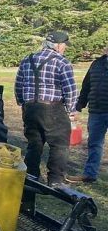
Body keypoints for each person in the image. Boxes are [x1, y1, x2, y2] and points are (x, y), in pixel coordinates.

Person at [14, 30, 78, 186]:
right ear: (57, 45)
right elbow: (70, 89)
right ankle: (55, 180)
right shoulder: (62, 62)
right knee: (60, 145)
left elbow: (18, 85)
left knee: (34, 143)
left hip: (30, 108)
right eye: (64, 45)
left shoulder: (27, 60)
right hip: (52, 109)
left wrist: (23, 103)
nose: (65, 48)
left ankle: (31, 177)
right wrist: (71, 110)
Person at [74, 42, 108, 184]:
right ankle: (90, 174)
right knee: (94, 144)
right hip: (96, 111)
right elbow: (86, 86)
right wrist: (79, 105)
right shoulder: (96, 64)